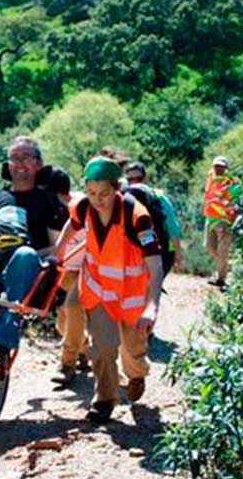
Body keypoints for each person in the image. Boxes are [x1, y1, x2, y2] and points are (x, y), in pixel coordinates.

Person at [54, 157, 164, 423]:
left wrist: (152, 306)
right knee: (102, 349)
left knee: (132, 355)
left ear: (117, 188)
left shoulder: (137, 217)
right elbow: (74, 223)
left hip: (131, 298)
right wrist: (60, 250)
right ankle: (104, 400)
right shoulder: (83, 207)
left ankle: (137, 375)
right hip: (98, 290)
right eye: (91, 193)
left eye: (104, 194)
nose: (97, 199)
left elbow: (156, 265)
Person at [0, 136, 68, 369]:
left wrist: (41, 256)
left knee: (25, 255)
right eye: (14, 158)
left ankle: (1, 345)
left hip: (27, 271)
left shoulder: (48, 201)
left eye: (25, 157)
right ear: (7, 166)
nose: (19, 163)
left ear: (38, 164)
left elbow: (57, 246)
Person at [45, 167, 89, 387]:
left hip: (88, 271)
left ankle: (67, 363)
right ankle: (84, 348)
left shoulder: (83, 205)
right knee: (63, 322)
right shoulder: (54, 212)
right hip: (66, 272)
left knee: (73, 307)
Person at [123, 161, 183, 272]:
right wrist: (178, 254)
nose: (134, 182)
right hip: (159, 251)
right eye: (131, 179)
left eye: (138, 178)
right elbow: (173, 228)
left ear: (144, 178)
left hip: (138, 253)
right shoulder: (157, 196)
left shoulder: (121, 198)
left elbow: (172, 226)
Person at [202, 156, 242, 290]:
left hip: (224, 220)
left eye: (221, 166)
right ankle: (224, 268)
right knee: (209, 246)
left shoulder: (231, 182)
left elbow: (236, 201)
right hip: (210, 217)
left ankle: (221, 278)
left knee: (222, 250)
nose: (218, 169)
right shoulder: (210, 177)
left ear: (226, 168)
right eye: (216, 166)